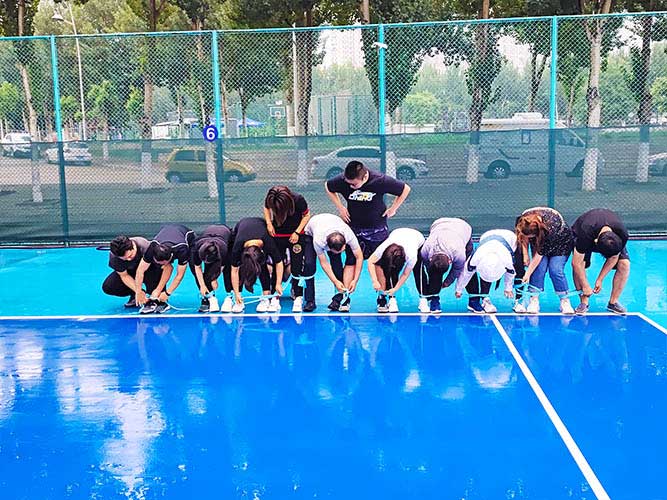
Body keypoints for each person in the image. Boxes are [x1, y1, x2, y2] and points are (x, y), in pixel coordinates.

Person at [325, 160, 410, 260]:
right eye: (349, 183)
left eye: (354, 184)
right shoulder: (342, 179)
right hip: (354, 226)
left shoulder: (380, 180)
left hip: (376, 227)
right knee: (352, 259)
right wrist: (340, 207)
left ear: (365, 177)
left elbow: (405, 189)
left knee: (379, 260)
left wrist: (393, 209)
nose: (351, 186)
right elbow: (328, 186)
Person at [263, 185, 314, 312]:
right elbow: (266, 208)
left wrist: (297, 232)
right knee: (277, 263)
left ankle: (297, 295)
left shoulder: (298, 199)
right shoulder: (272, 197)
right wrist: (269, 223)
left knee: (297, 265)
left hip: (295, 236)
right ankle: (275, 294)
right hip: (277, 235)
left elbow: (307, 215)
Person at [515, 207, 575, 315]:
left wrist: (527, 274)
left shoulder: (551, 228)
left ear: (535, 234)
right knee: (539, 269)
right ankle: (534, 299)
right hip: (541, 242)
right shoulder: (523, 219)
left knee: (555, 270)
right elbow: (522, 237)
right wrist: (525, 254)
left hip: (561, 244)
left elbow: (538, 256)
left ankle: (564, 300)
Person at [571, 208, 630, 315]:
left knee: (624, 264)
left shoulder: (622, 234)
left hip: (607, 236)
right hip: (581, 232)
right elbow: (576, 263)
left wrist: (600, 279)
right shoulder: (585, 232)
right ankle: (584, 302)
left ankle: (613, 302)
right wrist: (585, 285)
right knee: (581, 265)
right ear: (596, 242)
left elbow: (614, 257)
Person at [304, 213, 364, 312]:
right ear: (328, 247)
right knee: (309, 265)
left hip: (333, 222)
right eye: (336, 251)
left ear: (345, 243)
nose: (340, 252)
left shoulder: (349, 234)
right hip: (311, 231)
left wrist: (355, 280)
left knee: (337, 266)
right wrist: (335, 281)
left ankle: (339, 299)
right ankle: (310, 301)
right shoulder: (319, 240)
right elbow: (324, 263)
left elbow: (359, 257)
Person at [416, 218, 473, 314]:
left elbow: (457, 269)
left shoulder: (459, 254)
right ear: (430, 259)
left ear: (450, 261)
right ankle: (434, 299)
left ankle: (474, 300)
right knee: (434, 274)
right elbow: (428, 268)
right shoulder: (425, 251)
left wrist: (447, 282)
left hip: (463, 228)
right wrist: (434, 283)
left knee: (468, 267)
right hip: (439, 224)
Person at [135, 224, 195, 314]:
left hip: (189, 240)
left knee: (195, 267)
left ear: (170, 258)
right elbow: (140, 270)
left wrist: (167, 293)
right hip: (167, 237)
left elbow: (179, 275)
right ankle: (156, 296)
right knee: (154, 268)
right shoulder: (152, 247)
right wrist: (138, 291)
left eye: (164, 263)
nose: (162, 265)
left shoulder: (182, 250)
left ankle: (206, 297)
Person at [455, 229, 517, 314]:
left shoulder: (507, 260)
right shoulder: (475, 258)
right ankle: (484, 298)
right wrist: (459, 289)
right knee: (485, 270)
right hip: (487, 236)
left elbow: (510, 273)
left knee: (519, 266)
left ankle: (486, 298)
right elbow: (466, 274)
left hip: (511, 239)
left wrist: (508, 288)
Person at [230, 217, 284, 313]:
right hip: (241, 226)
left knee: (262, 266)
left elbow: (279, 263)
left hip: (260, 224)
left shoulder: (268, 241)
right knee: (242, 267)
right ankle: (239, 300)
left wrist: (278, 284)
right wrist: (236, 293)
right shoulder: (237, 246)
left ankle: (266, 296)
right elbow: (234, 271)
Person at [367, 227, 425, 313]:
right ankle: (391, 299)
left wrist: (396, 288)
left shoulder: (412, 255)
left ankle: (423, 300)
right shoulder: (383, 248)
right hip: (397, 233)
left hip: (418, 239)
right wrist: (374, 281)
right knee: (389, 270)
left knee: (419, 271)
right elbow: (370, 261)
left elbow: (405, 274)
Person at [102, 235, 161, 308]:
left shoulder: (145, 247)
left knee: (155, 274)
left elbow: (163, 267)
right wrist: (138, 291)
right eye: (125, 259)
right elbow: (124, 275)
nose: (129, 260)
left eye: (130, 256)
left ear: (133, 246)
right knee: (108, 287)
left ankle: (156, 298)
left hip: (150, 270)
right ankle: (135, 295)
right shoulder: (114, 257)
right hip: (132, 272)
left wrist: (159, 291)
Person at [189, 224, 232, 313]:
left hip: (225, 234)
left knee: (228, 270)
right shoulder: (197, 248)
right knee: (201, 273)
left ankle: (230, 297)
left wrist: (214, 278)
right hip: (208, 235)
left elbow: (222, 266)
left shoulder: (223, 249)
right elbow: (198, 267)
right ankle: (209, 297)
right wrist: (202, 285)